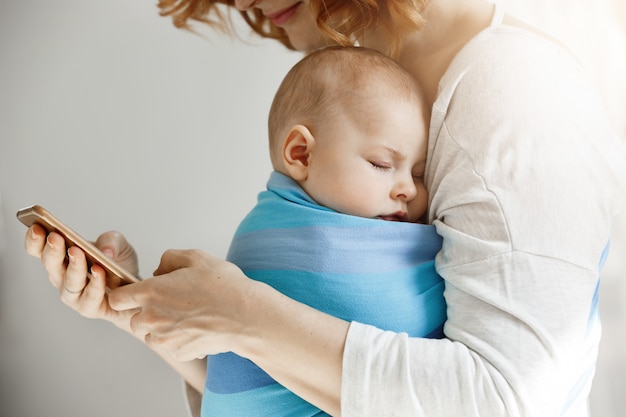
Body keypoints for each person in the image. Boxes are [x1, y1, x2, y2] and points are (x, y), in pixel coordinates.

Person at [24, 0, 625, 416]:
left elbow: (505, 401)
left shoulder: (516, 93)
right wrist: (161, 319)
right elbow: (301, 388)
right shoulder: (363, 101)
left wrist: (242, 314)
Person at [204, 45, 446, 416]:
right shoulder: (280, 240)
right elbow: (401, 316)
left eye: (418, 173)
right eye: (382, 163)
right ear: (301, 154)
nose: (409, 190)